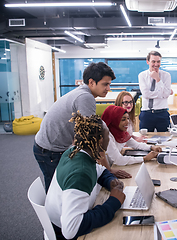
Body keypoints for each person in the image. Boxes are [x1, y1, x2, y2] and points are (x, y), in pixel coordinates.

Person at [33, 62, 129, 192]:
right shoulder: (85, 97)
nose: (108, 88)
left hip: (52, 145)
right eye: (105, 84)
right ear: (91, 82)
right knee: (56, 190)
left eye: (109, 84)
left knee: (62, 187)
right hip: (49, 149)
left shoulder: (83, 93)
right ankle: (54, 212)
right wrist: (108, 170)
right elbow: (94, 138)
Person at [45, 112, 125, 240]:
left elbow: (100, 170)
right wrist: (113, 202)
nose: (109, 138)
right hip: (64, 232)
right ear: (100, 141)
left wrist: (111, 181)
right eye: (107, 136)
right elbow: (71, 230)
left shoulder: (76, 151)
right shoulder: (80, 173)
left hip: (62, 217)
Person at [138, 51, 172, 132]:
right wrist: (162, 94)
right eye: (153, 61)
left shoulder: (166, 75)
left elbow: (166, 94)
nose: (156, 64)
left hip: (162, 113)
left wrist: (158, 79)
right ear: (148, 62)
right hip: (147, 113)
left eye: (158, 61)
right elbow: (146, 94)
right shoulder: (142, 75)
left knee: (166, 139)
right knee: (145, 139)